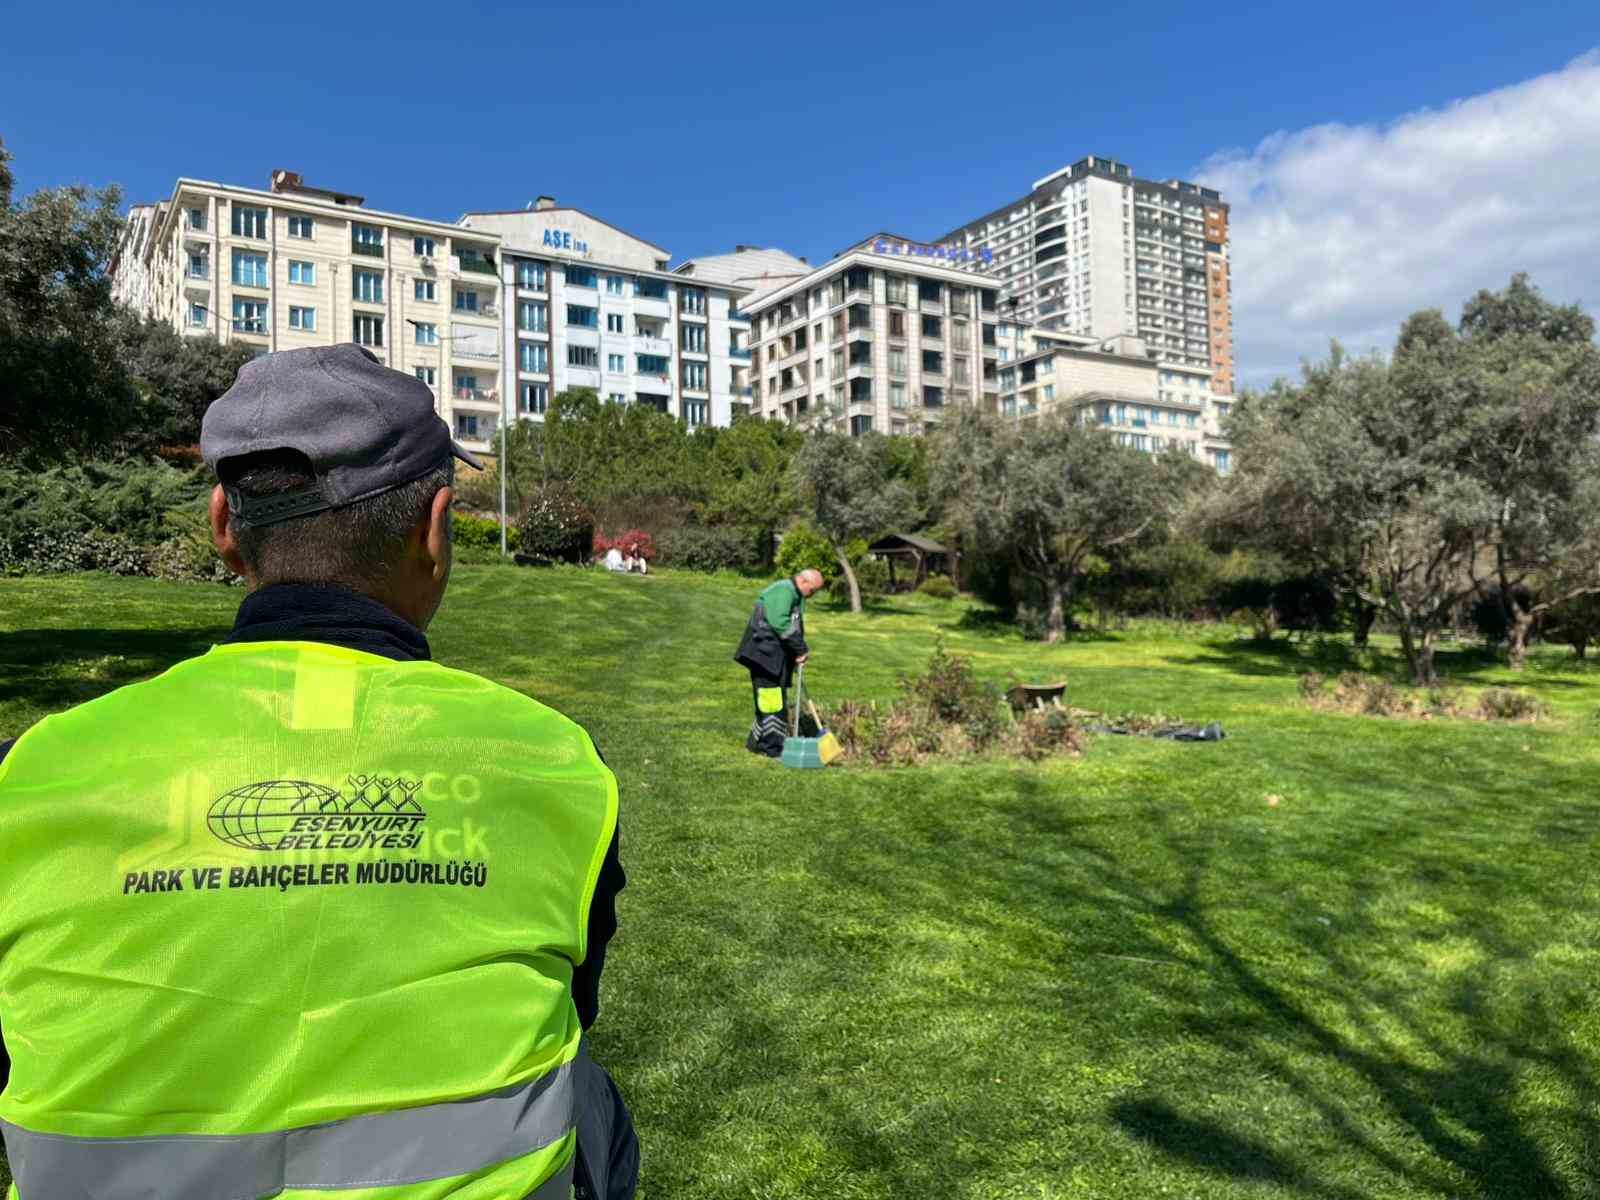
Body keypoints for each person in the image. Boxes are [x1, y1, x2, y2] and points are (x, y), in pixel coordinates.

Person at [0, 345, 638, 1199]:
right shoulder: (555, 759)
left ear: (224, 523)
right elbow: (575, 1003)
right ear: (436, 526)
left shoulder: (36, 769)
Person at [733, 568, 824, 757]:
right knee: (773, 703)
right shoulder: (784, 591)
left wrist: (795, 653)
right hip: (764, 654)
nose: (813, 595)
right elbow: (779, 622)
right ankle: (772, 749)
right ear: (804, 581)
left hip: (774, 656)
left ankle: (756, 744)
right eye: (813, 590)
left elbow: (790, 625)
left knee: (769, 700)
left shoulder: (795, 595)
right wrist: (800, 648)